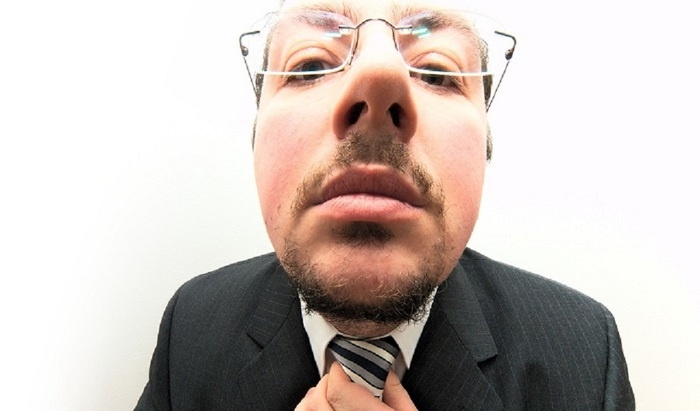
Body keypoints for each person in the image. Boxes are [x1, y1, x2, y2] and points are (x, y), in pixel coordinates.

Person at [136, 0, 635, 409]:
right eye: (310, 65)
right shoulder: (192, 326)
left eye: (437, 72)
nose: (378, 77)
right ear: (255, 138)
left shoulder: (586, 355)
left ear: (485, 146)